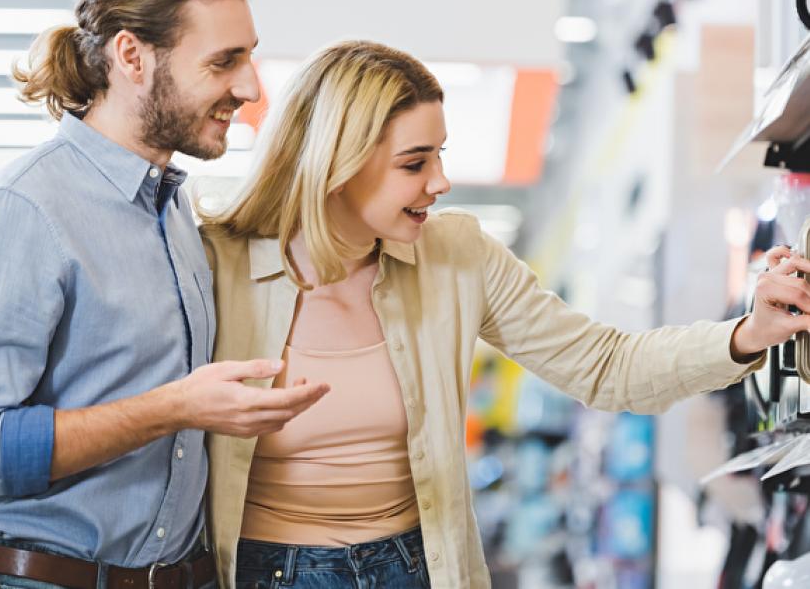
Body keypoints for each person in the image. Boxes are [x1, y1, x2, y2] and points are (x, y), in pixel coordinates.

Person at [200, 39, 810, 589]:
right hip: (270, 571)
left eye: (439, 154)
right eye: (414, 163)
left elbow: (606, 366)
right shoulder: (215, 266)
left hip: (420, 567)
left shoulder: (456, 255)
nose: (440, 181)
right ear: (336, 166)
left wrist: (747, 334)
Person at [0, 0, 328, 589]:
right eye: (223, 62)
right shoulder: (24, 213)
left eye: (249, 58)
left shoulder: (172, 210)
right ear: (131, 56)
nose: (251, 87)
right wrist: (174, 408)